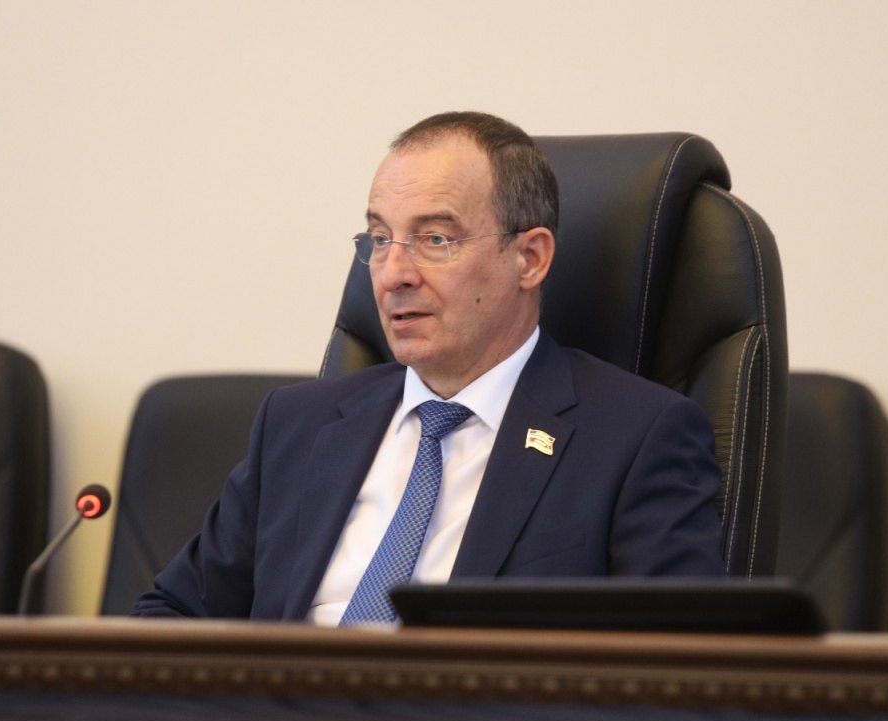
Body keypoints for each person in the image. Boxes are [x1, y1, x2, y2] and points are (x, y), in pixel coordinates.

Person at [134, 111, 726, 623]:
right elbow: (172, 615)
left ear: (530, 258)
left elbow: (675, 666)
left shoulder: (636, 437)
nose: (393, 275)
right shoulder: (296, 426)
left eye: (435, 239)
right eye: (380, 239)